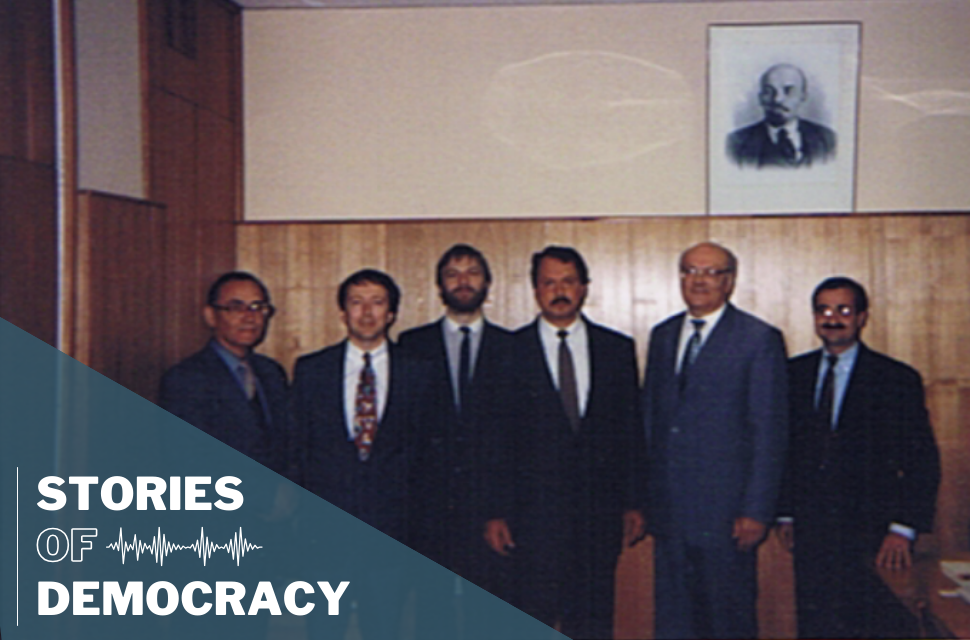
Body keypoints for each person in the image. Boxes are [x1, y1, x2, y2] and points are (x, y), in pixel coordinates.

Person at [490, 246, 645, 640]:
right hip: (530, 521)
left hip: (598, 517)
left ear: (584, 288)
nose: (559, 290)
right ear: (535, 289)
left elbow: (631, 431)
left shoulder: (616, 349)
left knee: (592, 623)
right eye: (549, 282)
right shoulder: (506, 352)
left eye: (568, 281)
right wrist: (495, 512)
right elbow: (492, 441)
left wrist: (634, 501)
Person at [776, 277, 941, 639]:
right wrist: (785, 511)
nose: (832, 318)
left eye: (844, 310)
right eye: (823, 310)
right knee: (817, 625)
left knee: (870, 625)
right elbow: (785, 450)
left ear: (862, 317)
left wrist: (903, 527)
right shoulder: (792, 374)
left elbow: (921, 460)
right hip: (810, 530)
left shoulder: (895, 379)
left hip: (874, 532)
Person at [641, 242, 788, 639]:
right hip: (670, 513)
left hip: (727, 516)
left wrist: (757, 511)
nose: (698, 280)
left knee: (727, 620)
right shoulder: (663, 335)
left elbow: (769, 433)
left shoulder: (758, 339)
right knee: (673, 621)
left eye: (709, 272)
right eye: (689, 271)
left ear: (729, 281)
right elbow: (653, 424)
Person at [291, 268, 432, 640]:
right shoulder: (311, 370)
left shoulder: (420, 372)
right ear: (342, 312)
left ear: (391, 313)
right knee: (323, 629)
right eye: (356, 302)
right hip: (325, 538)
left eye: (377, 302)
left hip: (394, 536)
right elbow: (297, 452)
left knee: (384, 629)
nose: (366, 312)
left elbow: (431, 457)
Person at [398, 244, 517, 637]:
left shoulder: (513, 348)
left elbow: (521, 440)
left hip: (493, 514)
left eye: (472, 273)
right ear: (438, 286)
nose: (463, 281)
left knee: (489, 619)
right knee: (433, 617)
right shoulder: (410, 346)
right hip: (428, 512)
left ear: (488, 284)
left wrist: (503, 509)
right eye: (452, 273)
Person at [158, 271, 291, 477]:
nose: (249, 317)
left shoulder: (271, 372)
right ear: (211, 316)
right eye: (235, 307)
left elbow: (285, 444)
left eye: (258, 307)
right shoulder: (186, 379)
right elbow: (184, 458)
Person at [727, 63, 836, 168]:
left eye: (788, 91)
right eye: (769, 91)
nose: (778, 99)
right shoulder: (735, 143)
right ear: (760, 98)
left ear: (803, 96)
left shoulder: (827, 139)